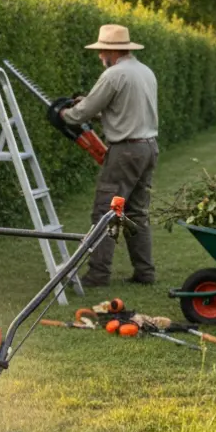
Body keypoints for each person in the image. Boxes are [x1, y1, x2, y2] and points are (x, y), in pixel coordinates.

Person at [60, 24, 159, 287]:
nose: (99, 56)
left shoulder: (114, 75)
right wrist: (92, 109)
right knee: (136, 213)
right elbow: (123, 111)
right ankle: (145, 272)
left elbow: (81, 114)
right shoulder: (144, 72)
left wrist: (65, 114)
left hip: (125, 151)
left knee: (106, 211)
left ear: (110, 51)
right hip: (148, 147)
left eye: (101, 50)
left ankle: (98, 274)